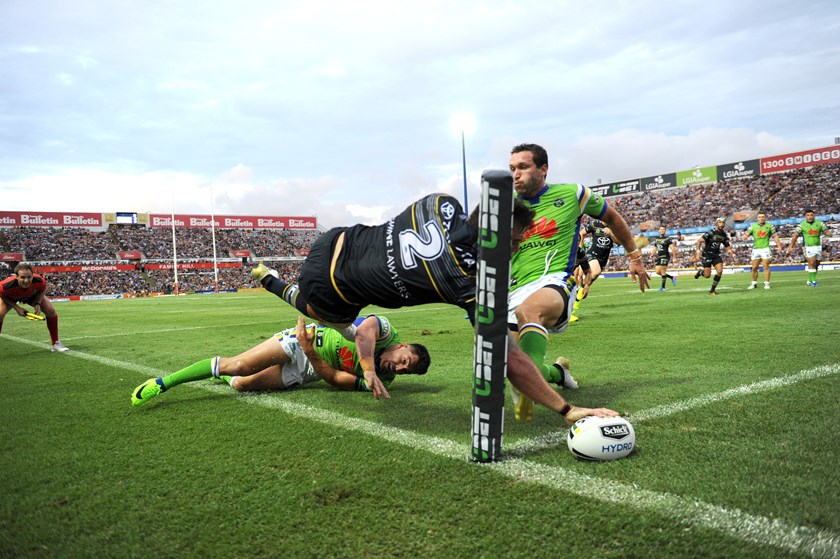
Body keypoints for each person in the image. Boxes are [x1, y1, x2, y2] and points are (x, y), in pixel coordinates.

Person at [254, 192, 621, 426]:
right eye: (516, 239)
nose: (518, 246)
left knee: (344, 317)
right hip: (330, 287)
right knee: (329, 317)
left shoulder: (441, 202)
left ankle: (270, 278)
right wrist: (566, 409)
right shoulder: (471, 285)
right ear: (496, 232)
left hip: (336, 237)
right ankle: (274, 283)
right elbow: (511, 362)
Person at [506, 143, 650, 420]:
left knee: (529, 312)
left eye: (522, 167)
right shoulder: (506, 204)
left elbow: (612, 218)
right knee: (510, 368)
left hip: (555, 282)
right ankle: (558, 372)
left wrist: (634, 255)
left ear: (543, 169)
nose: (515, 174)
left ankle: (533, 397)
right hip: (514, 289)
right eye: (512, 168)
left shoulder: (574, 193)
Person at [132, 314, 430, 407]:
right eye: (404, 359)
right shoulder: (387, 333)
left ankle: (218, 374)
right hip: (299, 341)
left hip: (310, 365)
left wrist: (312, 355)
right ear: (401, 346)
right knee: (239, 365)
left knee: (239, 384)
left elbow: (336, 380)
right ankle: (163, 383)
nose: (400, 367)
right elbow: (366, 330)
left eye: (407, 371)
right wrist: (367, 367)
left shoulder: (383, 382)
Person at [0, 263, 69, 352]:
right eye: (23, 277)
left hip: (32, 296)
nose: (26, 280)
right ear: (16, 277)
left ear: (33, 275)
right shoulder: (4, 286)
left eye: (29, 277)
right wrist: (17, 308)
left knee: (51, 311)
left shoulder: (40, 281)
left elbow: (41, 291)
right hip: (11, 297)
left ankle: (56, 343)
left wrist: (38, 303)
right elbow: (2, 295)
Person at [787, 209, 832, 287]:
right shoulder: (801, 225)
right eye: (808, 215)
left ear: (814, 215)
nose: (810, 217)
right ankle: (813, 282)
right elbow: (795, 236)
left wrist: (829, 234)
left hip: (818, 246)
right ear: (805, 216)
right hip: (808, 247)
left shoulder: (820, 224)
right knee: (811, 263)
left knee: (817, 264)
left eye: (811, 215)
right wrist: (791, 246)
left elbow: (826, 231)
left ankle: (810, 279)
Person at [692, 218, 737, 295]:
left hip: (716, 255)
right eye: (720, 222)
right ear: (717, 223)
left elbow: (727, 245)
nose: (721, 224)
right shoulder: (711, 232)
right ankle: (700, 272)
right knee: (707, 275)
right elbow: (699, 241)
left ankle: (712, 290)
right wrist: (698, 251)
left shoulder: (723, 234)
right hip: (707, 255)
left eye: (723, 223)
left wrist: (731, 253)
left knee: (719, 271)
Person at [742, 212, 784, 289]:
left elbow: (775, 236)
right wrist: (745, 236)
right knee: (754, 267)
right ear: (757, 218)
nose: (761, 218)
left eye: (763, 217)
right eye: (760, 217)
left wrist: (779, 246)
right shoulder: (753, 226)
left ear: (765, 218)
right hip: (756, 249)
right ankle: (754, 283)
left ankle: (766, 283)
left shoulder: (770, 226)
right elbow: (747, 234)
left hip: (765, 248)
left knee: (766, 266)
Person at [652, 225, 679, 291]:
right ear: (659, 230)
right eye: (661, 229)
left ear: (665, 231)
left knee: (663, 271)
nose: (662, 230)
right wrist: (652, 254)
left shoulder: (668, 239)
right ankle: (672, 277)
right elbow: (655, 247)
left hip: (665, 256)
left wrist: (674, 257)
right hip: (659, 256)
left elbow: (672, 248)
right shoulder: (656, 239)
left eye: (663, 229)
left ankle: (663, 287)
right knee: (658, 272)